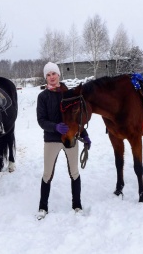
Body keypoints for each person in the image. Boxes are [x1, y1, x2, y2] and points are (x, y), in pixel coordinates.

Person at [36, 62, 91, 220]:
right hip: (52, 140)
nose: (52, 77)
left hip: (70, 138)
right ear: (45, 78)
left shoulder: (68, 93)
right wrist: (54, 127)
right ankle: (43, 207)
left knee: (74, 172)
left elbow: (75, 118)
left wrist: (84, 134)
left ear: (59, 75)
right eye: (48, 75)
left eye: (54, 73)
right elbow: (41, 120)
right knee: (47, 174)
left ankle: (77, 205)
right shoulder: (43, 97)